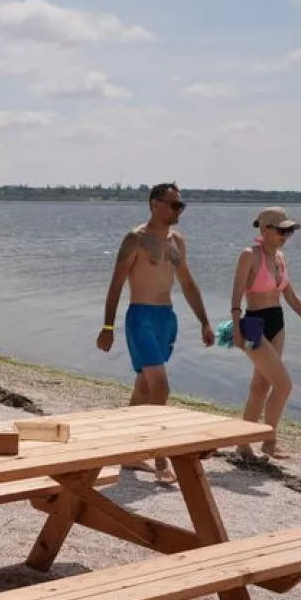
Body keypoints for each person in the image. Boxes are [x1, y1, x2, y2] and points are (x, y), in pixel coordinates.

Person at [97, 182, 214, 482]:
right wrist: (108, 326)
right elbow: (116, 285)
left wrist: (204, 320)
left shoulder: (177, 243)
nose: (179, 210)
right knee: (161, 386)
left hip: (166, 318)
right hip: (141, 318)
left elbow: (187, 284)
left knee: (144, 389)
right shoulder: (135, 240)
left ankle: (127, 453)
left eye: (181, 205)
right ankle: (160, 456)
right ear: (154, 205)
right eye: (174, 205)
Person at [227, 206, 301, 460]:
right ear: (264, 229)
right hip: (253, 325)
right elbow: (237, 295)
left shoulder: (280, 257)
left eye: (289, 231)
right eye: (281, 230)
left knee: (260, 386)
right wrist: (236, 328)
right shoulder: (249, 255)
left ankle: (243, 444)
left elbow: (290, 295)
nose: (285, 235)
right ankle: (269, 440)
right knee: (283, 385)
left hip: (277, 322)